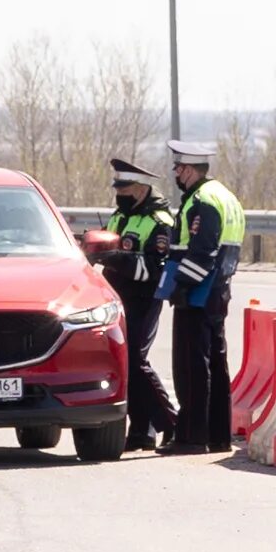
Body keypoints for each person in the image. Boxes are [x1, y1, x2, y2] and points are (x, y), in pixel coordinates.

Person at [156, 140, 246, 456]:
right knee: (216, 364)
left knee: (192, 366)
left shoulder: (202, 201)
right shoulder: (226, 196)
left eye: (179, 168)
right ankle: (218, 435)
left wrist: (181, 285)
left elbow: (202, 251)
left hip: (198, 293)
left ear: (191, 169)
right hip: (219, 291)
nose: (176, 173)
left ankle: (192, 436)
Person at [100, 157, 179, 452]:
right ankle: (142, 432)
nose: (119, 194)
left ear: (141, 188)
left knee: (135, 361)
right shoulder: (120, 216)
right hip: (115, 297)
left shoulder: (160, 223)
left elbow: (158, 270)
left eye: (125, 189)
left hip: (143, 300)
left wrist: (119, 260)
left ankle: (171, 423)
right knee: (124, 363)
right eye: (117, 188)